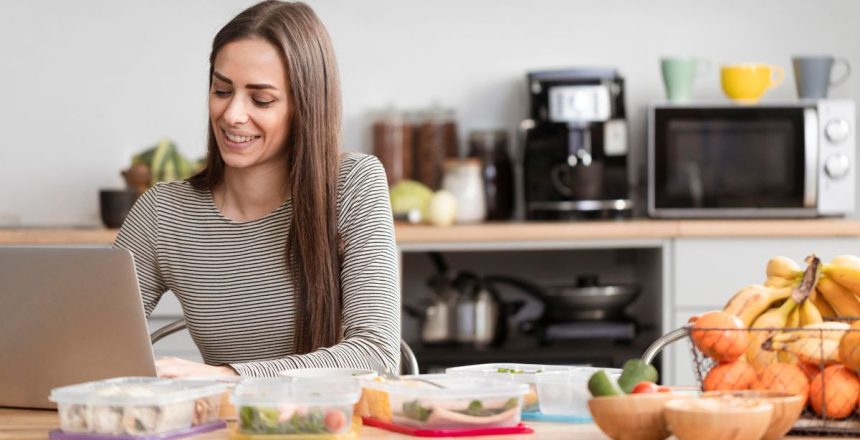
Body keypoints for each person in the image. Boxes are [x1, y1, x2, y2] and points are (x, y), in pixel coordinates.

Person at [115, 0, 400, 378]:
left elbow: (377, 356)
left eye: (261, 99)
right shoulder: (164, 211)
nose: (232, 114)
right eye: (222, 90)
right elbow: (86, 338)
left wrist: (229, 376)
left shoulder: (353, 184)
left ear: (305, 106)